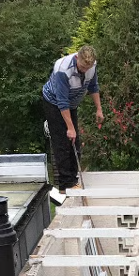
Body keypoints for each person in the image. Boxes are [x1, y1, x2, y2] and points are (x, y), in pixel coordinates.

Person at [42, 45, 105, 205]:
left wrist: (99, 109)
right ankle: (65, 185)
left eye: (88, 67)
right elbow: (61, 101)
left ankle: (73, 180)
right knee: (62, 142)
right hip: (54, 104)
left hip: (70, 105)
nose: (85, 70)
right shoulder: (63, 70)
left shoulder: (92, 66)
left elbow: (93, 87)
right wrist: (70, 128)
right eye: (83, 67)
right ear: (77, 58)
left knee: (75, 142)